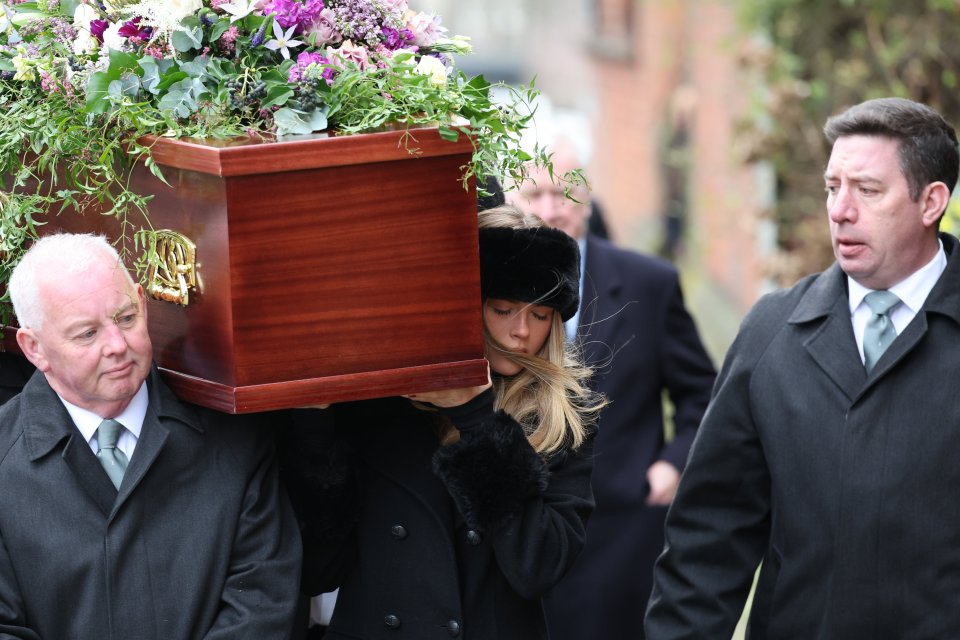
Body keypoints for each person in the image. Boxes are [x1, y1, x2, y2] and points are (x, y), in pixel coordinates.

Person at [645, 96, 960, 638]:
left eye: (867, 190)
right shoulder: (773, 331)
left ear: (931, 202)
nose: (840, 210)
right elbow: (709, 537)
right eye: (832, 188)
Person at [282, 204, 605, 640]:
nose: (521, 332)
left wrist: (475, 416)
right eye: (503, 309)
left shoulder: (564, 415)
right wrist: (313, 426)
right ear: (465, 304)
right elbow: (319, 568)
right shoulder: (384, 403)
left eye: (540, 314)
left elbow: (538, 567)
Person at [0, 233, 302, 639]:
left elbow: (262, 602)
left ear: (143, 302)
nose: (117, 345)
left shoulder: (234, 440)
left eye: (126, 318)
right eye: (86, 334)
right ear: (34, 348)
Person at [509, 142, 716, 639]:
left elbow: (704, 392)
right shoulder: (487, 287)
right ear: (512, 200)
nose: (548, 209)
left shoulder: (652, 283)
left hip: (621, 524)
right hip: (518, 522)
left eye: (564, 194)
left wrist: (672, 464)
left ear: (588, 197)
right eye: (534, 193)